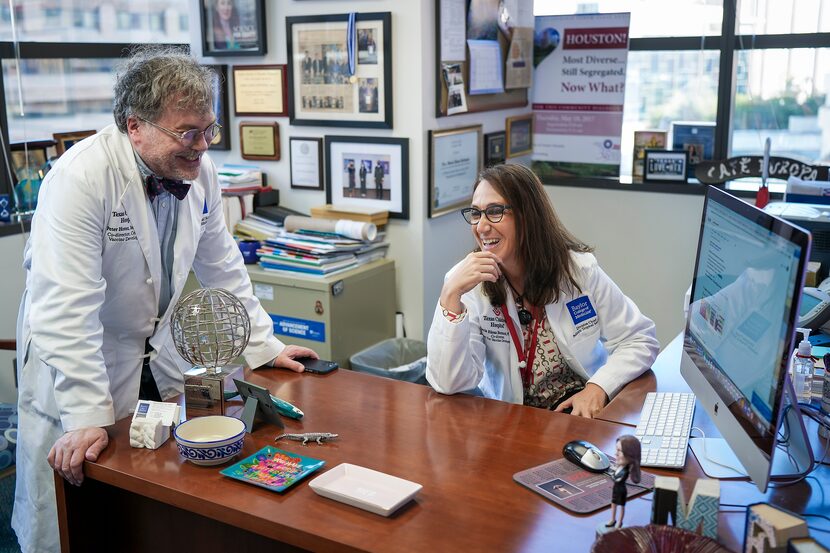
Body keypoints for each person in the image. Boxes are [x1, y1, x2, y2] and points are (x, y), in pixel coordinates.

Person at [12, 46, 319, 553]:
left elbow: (222, 267)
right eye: (187, 132)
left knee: (159, 490)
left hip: (151, 352)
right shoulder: (80, 180)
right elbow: (67, 311)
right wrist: (87, 414)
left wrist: (264, 346)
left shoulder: (200, 173)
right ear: (135, 126)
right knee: (73, 512)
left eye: (208, 130)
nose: (201, 146)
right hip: (83, 359)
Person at [426, 164, 658, 417]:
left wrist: (598, 387)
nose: (481, 226)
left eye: (494, 212)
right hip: (511, 424)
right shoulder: (468, 285)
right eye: (475, 213)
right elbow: (449, 383)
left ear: (528, 215)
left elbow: (639, 339)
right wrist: (449, 296)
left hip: (581, 417)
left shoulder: (578, 271)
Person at [606, 435, 642, 528]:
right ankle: (612, 519)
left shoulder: (625, 470)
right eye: (616, 450)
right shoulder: (618, 467)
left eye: (619, 451)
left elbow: (617, 478)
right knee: (613, 504)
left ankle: (619, 522)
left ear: (629, 454)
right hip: (615, 489)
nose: (615, 454)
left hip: (621, 490)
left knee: (621, 506)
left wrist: (613, 476)